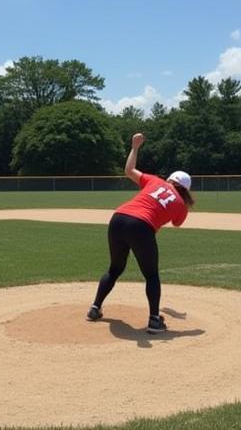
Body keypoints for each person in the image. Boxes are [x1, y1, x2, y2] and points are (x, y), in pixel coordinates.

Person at [87, 132, 194, 334]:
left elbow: (128, 170)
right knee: (151, 275)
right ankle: (154, 321)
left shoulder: (154, 180)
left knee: (115, 269)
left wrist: (135, 147)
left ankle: (95, 308)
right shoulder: (181, 204)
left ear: (170, 179)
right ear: (186, 190)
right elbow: (177, 223)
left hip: (118, 218)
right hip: (141, 226)